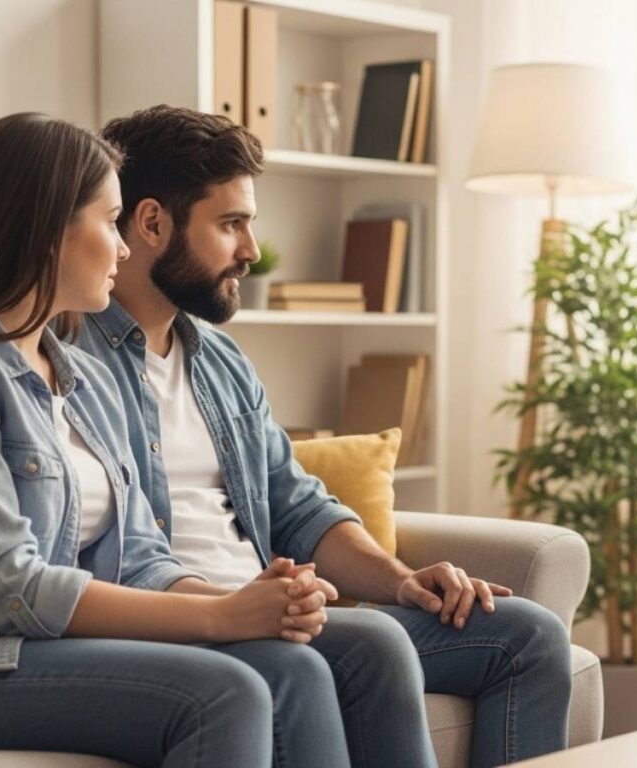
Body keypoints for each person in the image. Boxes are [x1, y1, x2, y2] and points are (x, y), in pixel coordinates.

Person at [73, 104, 573, 768]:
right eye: (231, 225)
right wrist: (237, 607)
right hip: (187, 623)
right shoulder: (69, 359)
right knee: (371, 645)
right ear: (153, 223)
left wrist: (401, 582)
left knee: (530, 637)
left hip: (274, 612)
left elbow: (296, 505)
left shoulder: (219, 361)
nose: (251, 251)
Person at [0, 112, 352, 767]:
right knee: (226, 693)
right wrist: (220, 618)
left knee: (293, 667)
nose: (125, 247)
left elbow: (137, 557)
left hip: (58, 644)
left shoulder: (84, 381)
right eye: (109, 221)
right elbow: (8, 584)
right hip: (7, 650)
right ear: (48, 230)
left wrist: (250, 602)